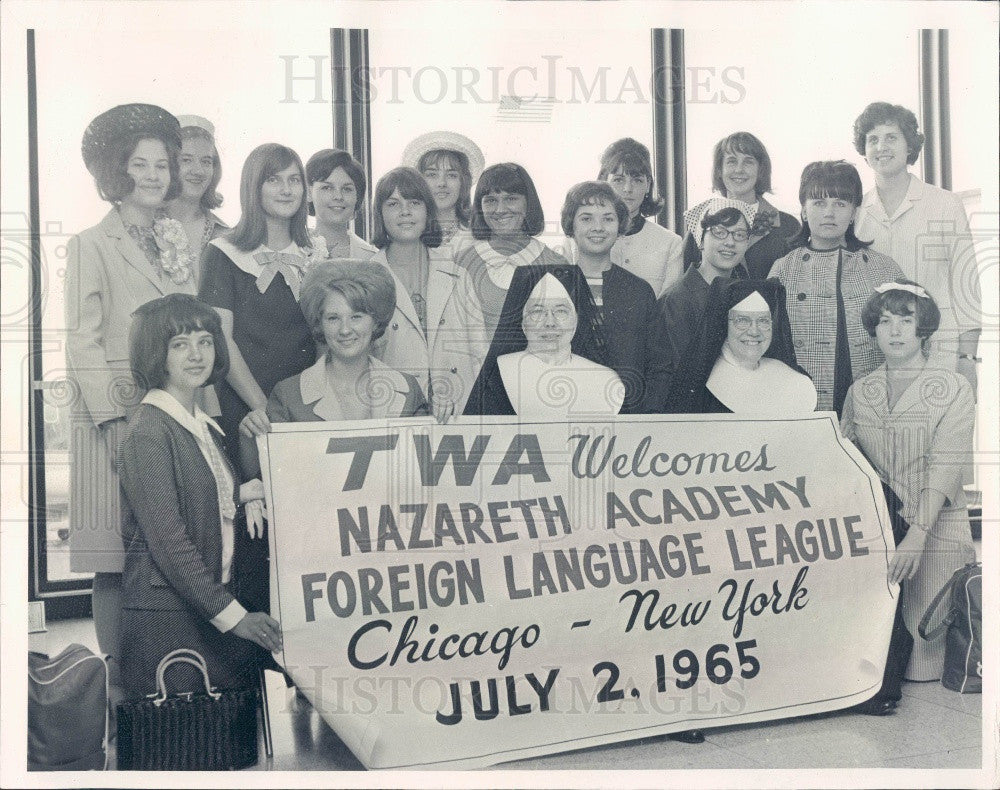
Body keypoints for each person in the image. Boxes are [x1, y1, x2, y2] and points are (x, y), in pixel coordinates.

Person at [66, 103, 197, 698]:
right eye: (140, 165)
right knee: (112, 553)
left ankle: (172, 674)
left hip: (175, 411)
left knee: (174, 543)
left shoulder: (178, 239)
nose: (153, 175)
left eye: (162, 165)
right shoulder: (91, 243)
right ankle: (117, 690)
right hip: (111, 417)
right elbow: (82, 335)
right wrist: (113, 417)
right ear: (118, 172)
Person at [118, 293, 280, 699]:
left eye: (205, 341)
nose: (196, 354)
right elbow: (170, 543)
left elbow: (205, 502)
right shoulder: (149, 432)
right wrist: (234, 616)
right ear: (157, 354)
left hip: (209, 606)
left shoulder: (204, 427)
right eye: (180, 344)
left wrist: (246, 492)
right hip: (169, 618)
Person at [841, 281, 976, 704]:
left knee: (923, 669)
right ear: (874, 330)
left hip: (934, 528)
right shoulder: (860, 391)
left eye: (906, 319)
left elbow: (946, 465)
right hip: (880, 526)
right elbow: (846, 462)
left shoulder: (953, 387)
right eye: (885, 321)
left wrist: (916, 536)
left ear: (924, 329)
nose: (895, 330)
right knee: (875, 661)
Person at [198, 143, 321, 468]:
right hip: (247, 408)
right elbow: (222, 341)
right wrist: (266, 410)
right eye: (274, 180)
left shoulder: (315, 254)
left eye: (294, 180)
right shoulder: (222, 253)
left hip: (305, 407)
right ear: (254, 187)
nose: (286, 190)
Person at [853, 102, 981, 390]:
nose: (881, 147)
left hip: (940, 353)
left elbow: (967, 289)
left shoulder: (946, 204)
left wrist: (968, 358)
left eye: (891, 137)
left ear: (909, 145)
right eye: (873, 139)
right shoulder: (857, 210)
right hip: (875, 353)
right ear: (864, 149)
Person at [770, 161, 904, 415]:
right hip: (802, 404)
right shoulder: (783, 270)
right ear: (804, 211)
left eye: (840, 203)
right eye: (819, 203)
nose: (829, 213)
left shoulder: (884, 269)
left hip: (872, 404)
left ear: (854, 212)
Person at [369, 166, 487, 421]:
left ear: (428, 211)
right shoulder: (366, 277)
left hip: (459, 412)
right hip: (392, 413)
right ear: (379, 214)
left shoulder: (458, 275)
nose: (405, 212)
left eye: (414, 202)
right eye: (393, 204)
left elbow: (480, 352)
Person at [265, 260, 429, 422]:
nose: (345, 330)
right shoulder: (287, 396)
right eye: (333, 318)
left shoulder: (409, 391)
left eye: (356, 317)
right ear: (320, 323)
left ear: (376, 321)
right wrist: (252, 431)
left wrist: (447, 418)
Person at [464, 265, 624, 418]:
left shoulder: (605, 379)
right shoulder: (498, 373)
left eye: (561, 311)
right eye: (538, 311)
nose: (550, 322)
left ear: (576, 321)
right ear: (523, 323)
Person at [645, 199, 756, 412]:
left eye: (739, 234)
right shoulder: (676, 300)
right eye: (720, 232)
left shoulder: (746, 295)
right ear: (701, 239)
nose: (730, 242)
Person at [560, 180, 656, 413]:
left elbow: (656, 365)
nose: (598, 227)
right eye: (586, 218)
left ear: (620, 225)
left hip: (630, 419)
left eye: (608, 218)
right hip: (566, 414)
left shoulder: (640, 291)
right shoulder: (554, 287)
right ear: (570, 225)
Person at [664, 278, 816, 414]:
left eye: (763, 321)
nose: (754, 331)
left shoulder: (794, 378)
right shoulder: (698, 390)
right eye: (742, 320)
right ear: (724, 326)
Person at [457, 163, 569, 343]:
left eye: (511, 199)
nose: (500, 210)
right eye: (490, 200)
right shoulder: (462, 262)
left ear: (528, 203)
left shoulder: (556, 263)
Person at [562, 138, 684, 298]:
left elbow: (667, 309)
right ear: (604, 182)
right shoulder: (574, 241)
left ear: (648, 185)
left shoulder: (670, 243)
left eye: (637, 180)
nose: (628, 189)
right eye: (618, 180)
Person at [683, 132, 801, 278]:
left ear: (760, 170)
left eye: (748, 162)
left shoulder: (788, 226)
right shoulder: (700, 224)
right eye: (731, 161)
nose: (739, 169)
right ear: (720, 170)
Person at [165, 115, 229, 283]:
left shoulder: (226, 236)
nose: (198, 171)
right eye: (186, 160)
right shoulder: (144, 225)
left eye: (206, 162)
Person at [402, 130, 485, 258]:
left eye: (451, 175)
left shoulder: (479, 233)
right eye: (432, 174)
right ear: (419, 180)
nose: (441, 183)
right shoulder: (406, 230)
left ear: (463, 182)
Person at [305, 148, 377, 260]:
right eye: (327, 187)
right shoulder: (292, 251)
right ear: (309, 193)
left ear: (357, 197)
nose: (338, 196)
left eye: (347, 189)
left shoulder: (372, 258)